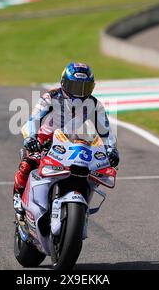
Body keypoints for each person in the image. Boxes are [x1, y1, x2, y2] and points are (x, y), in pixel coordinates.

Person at [13, 62, 120, 220]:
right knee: (30, 161)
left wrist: (111, 149)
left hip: (73, 142)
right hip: (46, 140)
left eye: (84, 88)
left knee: (92, 167)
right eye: (75, 86)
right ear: (64, 84)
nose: (79, 92)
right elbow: (32, 120)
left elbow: (106, 131)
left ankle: (81, 200)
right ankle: (18, 195)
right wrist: (31, 138)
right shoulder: (51, 97)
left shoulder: (94, 104)